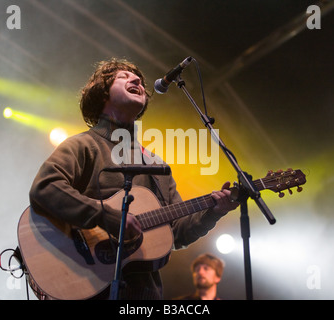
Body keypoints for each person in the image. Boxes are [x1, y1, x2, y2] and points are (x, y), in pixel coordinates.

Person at [28, 58, 239, 300]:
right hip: (87, 283)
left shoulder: (156, 165)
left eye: (137, 78)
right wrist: (107, 216)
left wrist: (214, 211)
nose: (137, 80)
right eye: (123, 77)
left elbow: (177, 233)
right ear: (102, 92)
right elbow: (45, 188)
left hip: (143, 294)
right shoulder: (83, 145)